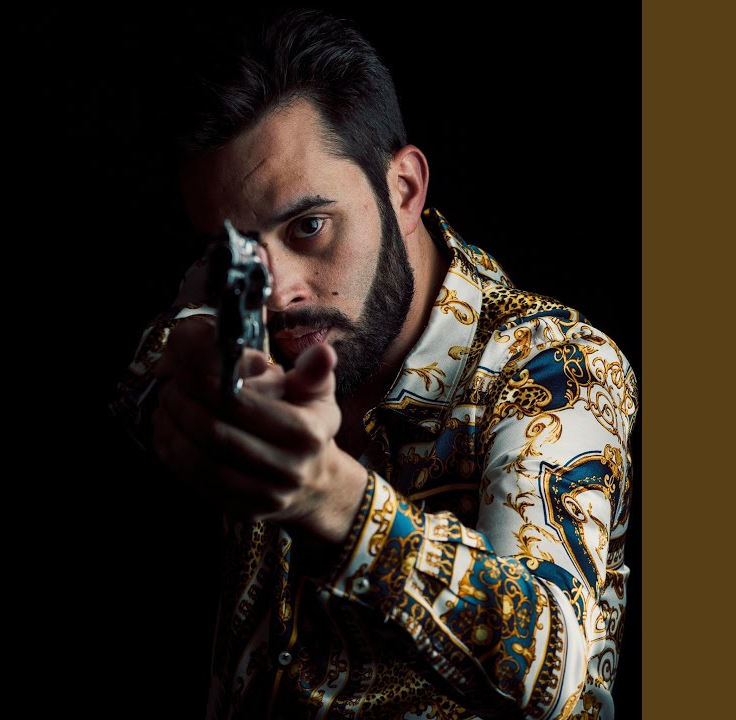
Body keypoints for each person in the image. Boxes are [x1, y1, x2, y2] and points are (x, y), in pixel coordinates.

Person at [112, 9, 638, 719]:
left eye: (309, 227)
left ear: (405, 189)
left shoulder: (553, 367)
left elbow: (555, 670)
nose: (280, 292)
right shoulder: (246, 326)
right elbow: (146, 381)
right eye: (238, 253)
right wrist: (195, 340)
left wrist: (329, 499)